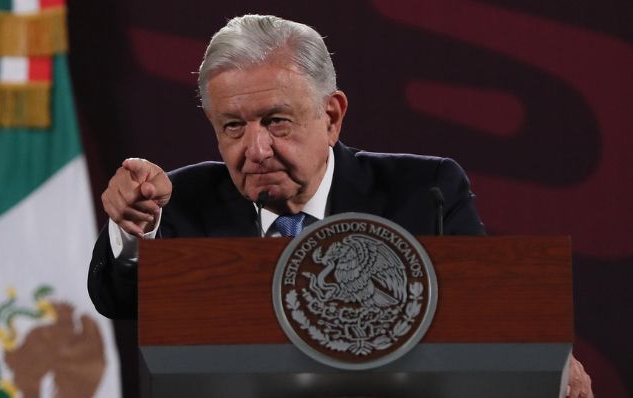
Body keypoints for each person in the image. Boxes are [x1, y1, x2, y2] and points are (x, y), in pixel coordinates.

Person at [87, 14, 592, 397]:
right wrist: (134, 229)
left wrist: (542, 356)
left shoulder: (425, 191)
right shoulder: (181, 202)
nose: (256, 150)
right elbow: (117, 300)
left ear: (331, 116)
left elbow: (484, 312)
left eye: (277, 121)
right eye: (233, 127)